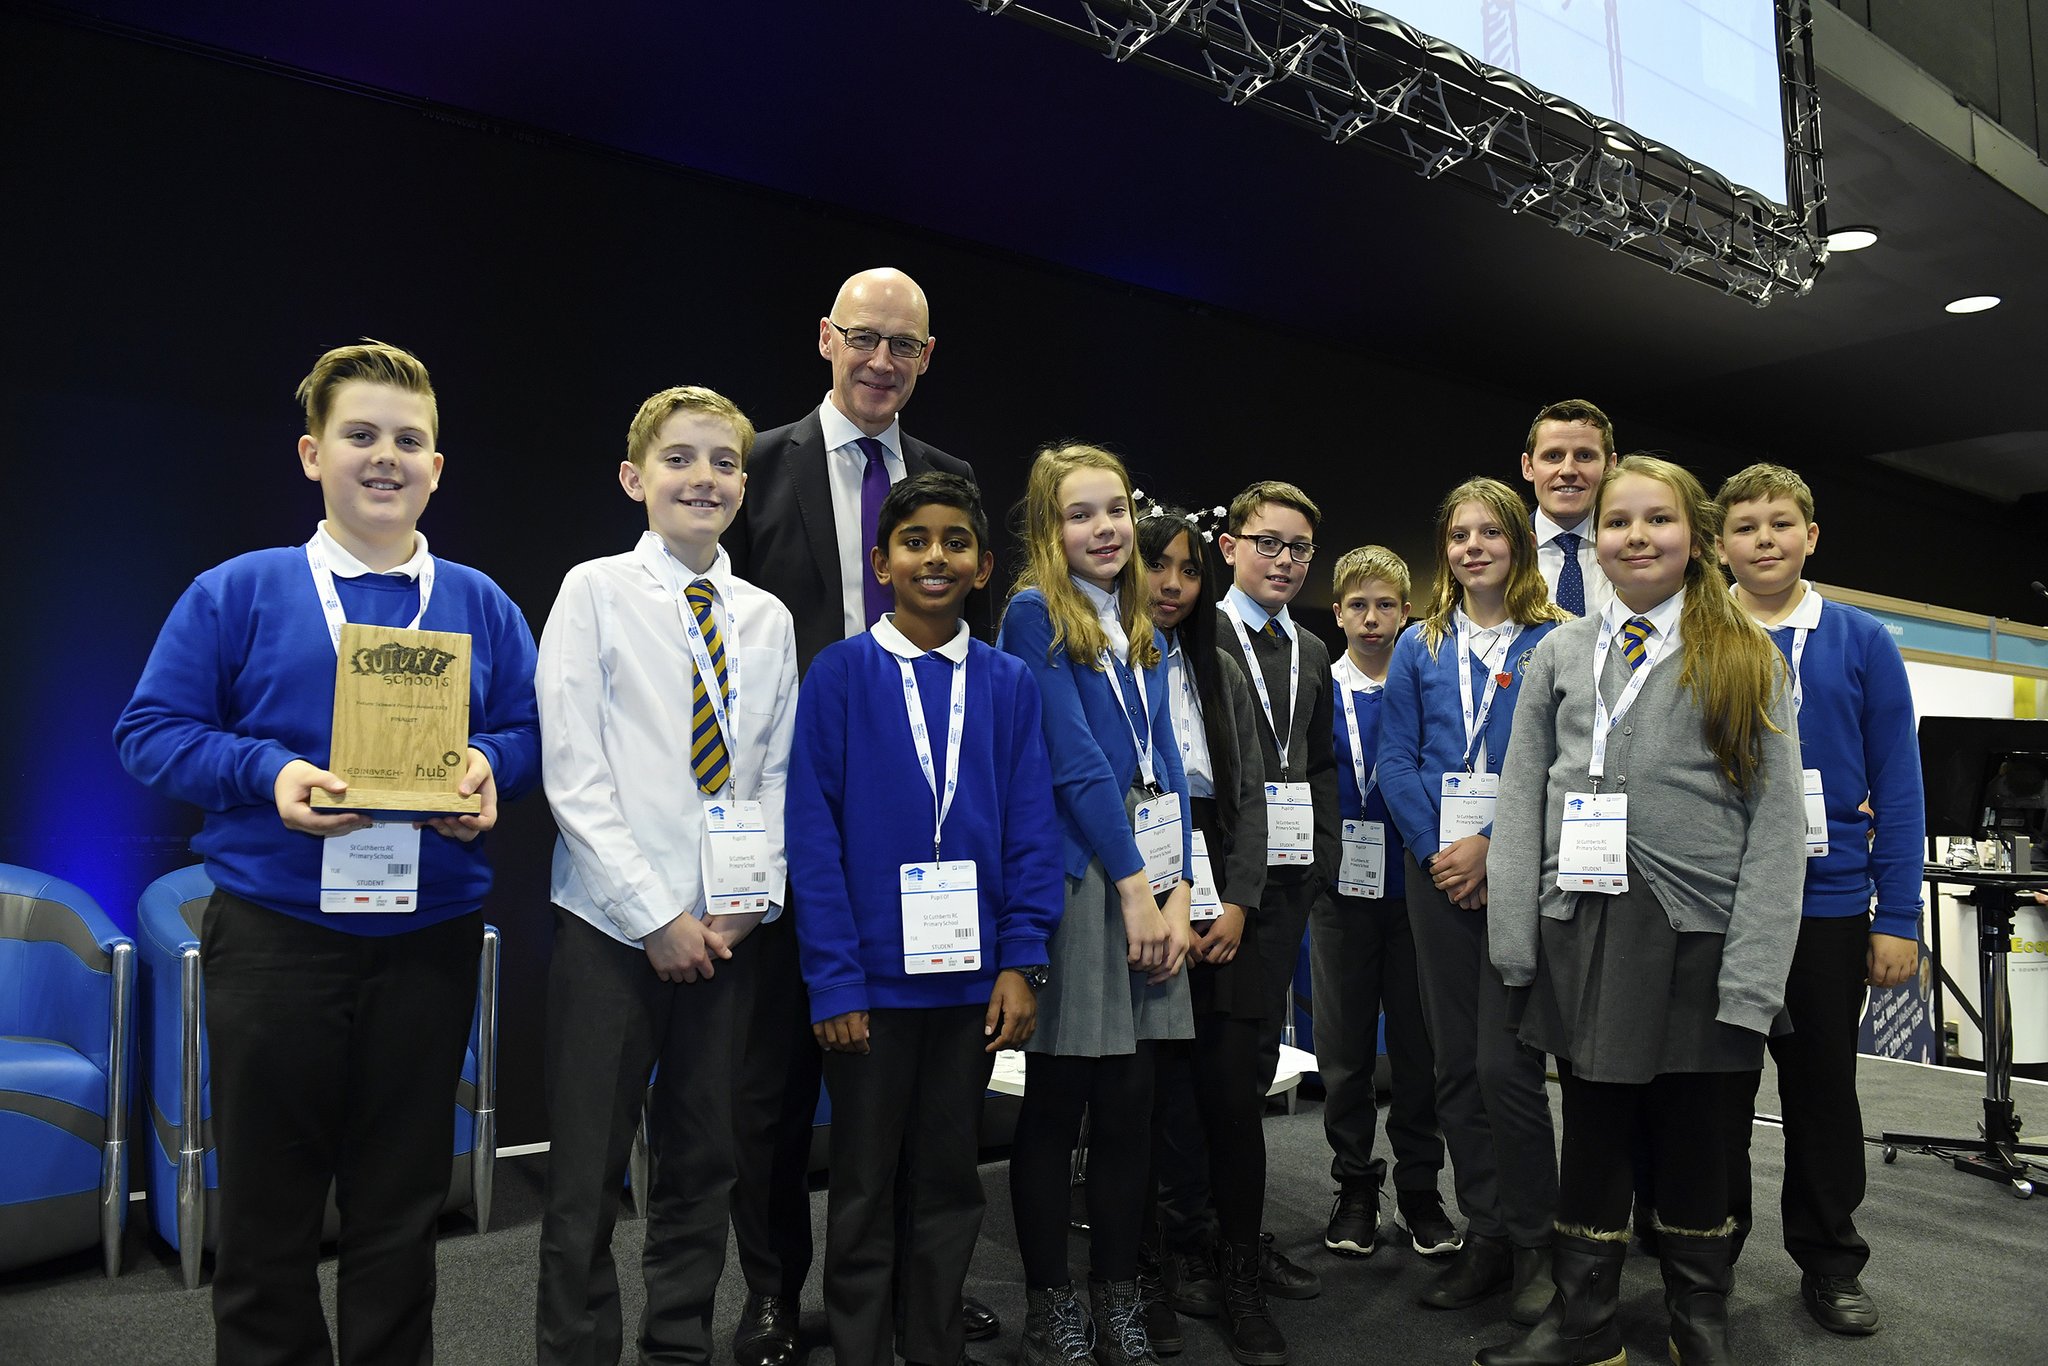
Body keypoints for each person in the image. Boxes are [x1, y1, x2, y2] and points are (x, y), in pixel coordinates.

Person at [115, 340, 541, 1364]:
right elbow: (149, 731)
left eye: (408, 439)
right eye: (360, 435)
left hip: (430, 939)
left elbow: (535, 729)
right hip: (276, 940)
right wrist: (267, 774)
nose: (384, 457)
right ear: (312, 454)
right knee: (267, 1219)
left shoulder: (479, 602)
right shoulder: (239, 591)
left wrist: (489, 763)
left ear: (438, 465)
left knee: (401, 1214)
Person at [723, 266, 997, 1361]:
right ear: (826, 338)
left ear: (927, 358)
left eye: (905, 346)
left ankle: (907, 1296)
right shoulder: (753, 464)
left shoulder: (945, 476)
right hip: (779, 810)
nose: (882, 361)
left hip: (909, 819)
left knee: (914, 1098)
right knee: (775, 1084)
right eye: (865, 339)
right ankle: (775, 1292)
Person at [1481, 454, 1805, 1366]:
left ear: (1695, 538)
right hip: (1581, 928)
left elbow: (1776, 829)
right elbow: (1518, 798)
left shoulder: (1744, 654)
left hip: (1699, 935)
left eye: (1657, 520)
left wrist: (1753, 977)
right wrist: (1517, 941)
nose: (1636, 537)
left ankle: (1698, 1318)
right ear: (1597, 540)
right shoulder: (1558, 650)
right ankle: (1583, 1322)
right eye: (1619, 522)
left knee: (1699, 1136)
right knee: (1593, 1131)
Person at [533, 386, 797, 1365]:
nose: (704, 478)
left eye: (724, 462)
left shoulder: (764, 617)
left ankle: (676, 1347)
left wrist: (740, 908)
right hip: (611, 931)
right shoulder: (593, 590)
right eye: (680, 459)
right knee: (587, 1177)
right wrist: (654, 915)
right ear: (633, 478)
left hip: (726, 938)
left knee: (704, 1164)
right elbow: (573, 773)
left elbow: (771, 776)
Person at [789, 471, 1061, 1366]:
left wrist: (1022, 959)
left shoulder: (1008, 682)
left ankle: (934, 1342)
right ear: (881, 562)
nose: (933, 557)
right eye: (914, 542)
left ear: (984, 566)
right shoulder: (838, 675)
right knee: (863, 1185)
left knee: (949, 1179)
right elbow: (813, 840)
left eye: (954, 542)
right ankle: (863, 1347)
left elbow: (1031, 826)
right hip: (870, 986)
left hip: (971, 985)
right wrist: (834, 979)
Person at [997, 444, 1195, 1366]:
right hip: (1088, 885)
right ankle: (1052, 1305)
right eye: (1081, 515)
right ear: (1050, 528)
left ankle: (1117, 1294)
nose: (1104, 528)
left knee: (1130, 1105)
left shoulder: (1140, 620)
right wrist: (1132, 891)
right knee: (1058, 1103)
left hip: (1151, 883)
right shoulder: (1034, 612)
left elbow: (1171, 767)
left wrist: (1182, 882)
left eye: (1114, 509)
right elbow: (1074, 764)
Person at [1715, 462, 1924, 1336]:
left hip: (1828, 905)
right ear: (1718, 544)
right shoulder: (1694, 632)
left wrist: (1900, 916)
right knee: (1714, 1091)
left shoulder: (1861, 639)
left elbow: (1899, 782)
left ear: (1811, 535)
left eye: (1781, 524)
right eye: (1746, 527)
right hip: (1716, 902)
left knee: (1822, 1095)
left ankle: (1831, 1260)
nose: (1765, 539)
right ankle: (1704, 1254)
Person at [1377, 477, 1569, 1326]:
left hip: (1520, 872)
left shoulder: (1561, 639)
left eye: (1492, 532)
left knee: (1506, 1064)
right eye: (1459, 535)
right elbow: (1397, 761)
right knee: (1454, 1064)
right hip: (1437, 878)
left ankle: (1537, 1242)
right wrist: (1440, 853)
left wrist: (1492, 847)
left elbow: (1560, 767)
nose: (1474, 547)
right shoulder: (1422, 644)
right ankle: (1486, 1233)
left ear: (1518, 544)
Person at [1134, 501, 1286, 1364]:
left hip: (1222, 897)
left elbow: (1253, 798)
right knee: (1149, 1106)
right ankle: (1151, 1270)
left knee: (1233, 1102)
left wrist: (1236, 904)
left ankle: (1238, 1278)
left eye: (1190, 570)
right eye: (1160, 566)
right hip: (1140, 901)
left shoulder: (1216, 668)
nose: (1174, 584)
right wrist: (1160, 906)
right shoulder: (1105, 663)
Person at [1310, 546, 1458, 1262]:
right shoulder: (1317, 685)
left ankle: (1421, 1188)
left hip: (1418, 890)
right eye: (1358, 606)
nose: (1373, 620)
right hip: (1340, 894)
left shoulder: (1426, 682)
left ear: (1409, 612)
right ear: (1337, 612)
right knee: (1342, 1052)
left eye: (1388, 606)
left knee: (1418, 1049)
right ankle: (1355, 1185)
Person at [1213, 480, 1339, 1303]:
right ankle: (1208, 1248)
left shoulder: (1313, 650)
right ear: (1230, 545)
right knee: (1215, 1074)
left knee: (1252, 1065)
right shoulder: (1197, 631)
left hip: (1290, 884)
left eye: (1298, 548)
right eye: (1268, 542)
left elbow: (1320, 763)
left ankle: (1236, 1240)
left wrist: (1322, 862)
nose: (1284, 561)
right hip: (1220, 889)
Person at [1521, 400, 1618, 619]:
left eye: (1584, 456)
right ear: (1528, 467)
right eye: (1553, 456)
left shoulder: (1635, 551)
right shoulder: (1505, 552)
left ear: (1610, 466)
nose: (1568, 470)